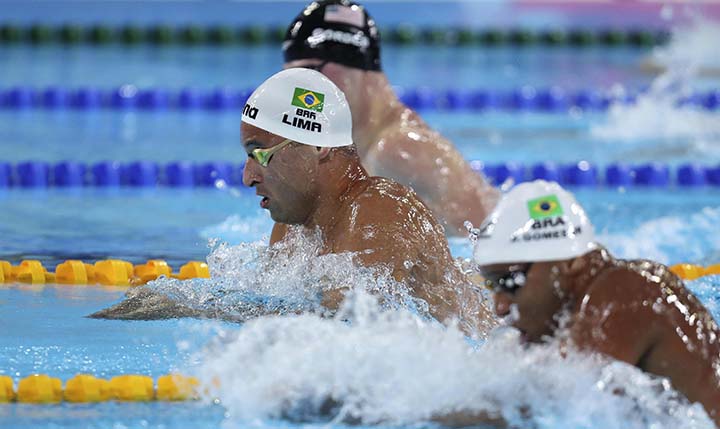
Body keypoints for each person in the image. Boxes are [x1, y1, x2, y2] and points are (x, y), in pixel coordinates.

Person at [93, 68, 494, 337]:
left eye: (259, 152)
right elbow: (278, 305)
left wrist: (191, 308)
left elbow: (341, 321)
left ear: (317, 144)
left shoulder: (381, 208)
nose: (248, 175)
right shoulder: (294, 222)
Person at [464, 180, 719, 425]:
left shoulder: (623, 293)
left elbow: (551, 404)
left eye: (510, 281)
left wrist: (436, 413)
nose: (500, 306)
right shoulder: (580, 307)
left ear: (569, 263)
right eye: (492, 285)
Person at [281, 0, 499, 235]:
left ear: (354, 65)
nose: (302, 91)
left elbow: (486, 245)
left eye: (310, 71)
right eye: (293, 78)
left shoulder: (398, 149)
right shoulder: (365, 143)